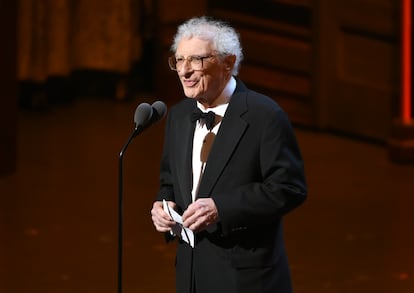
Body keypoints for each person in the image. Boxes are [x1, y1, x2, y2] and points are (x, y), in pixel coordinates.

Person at [150, 16, 307, 293]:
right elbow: (169, 181)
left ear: (229, 63)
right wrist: (164, 206)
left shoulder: (265, 116)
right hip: (191, 276)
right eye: (179, 60)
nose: (185, 71)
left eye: (197, 60)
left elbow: (289, 188)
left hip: (244, 279)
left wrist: (221, 208)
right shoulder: (179, 116)